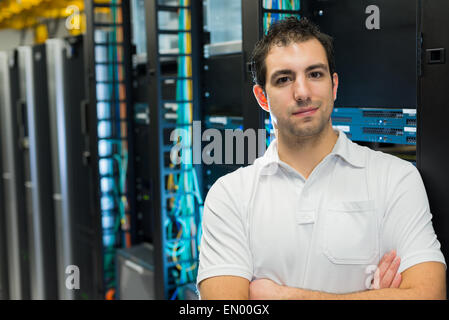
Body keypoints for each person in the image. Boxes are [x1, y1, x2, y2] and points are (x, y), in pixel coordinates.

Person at [196, 17, 446, 299]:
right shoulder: (230, 196)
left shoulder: (395, 179)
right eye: (284, 79)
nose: (302, 92)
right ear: (262, 97)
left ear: (334, 85)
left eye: (315, 74)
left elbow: (429, 295)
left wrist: (285, 296)